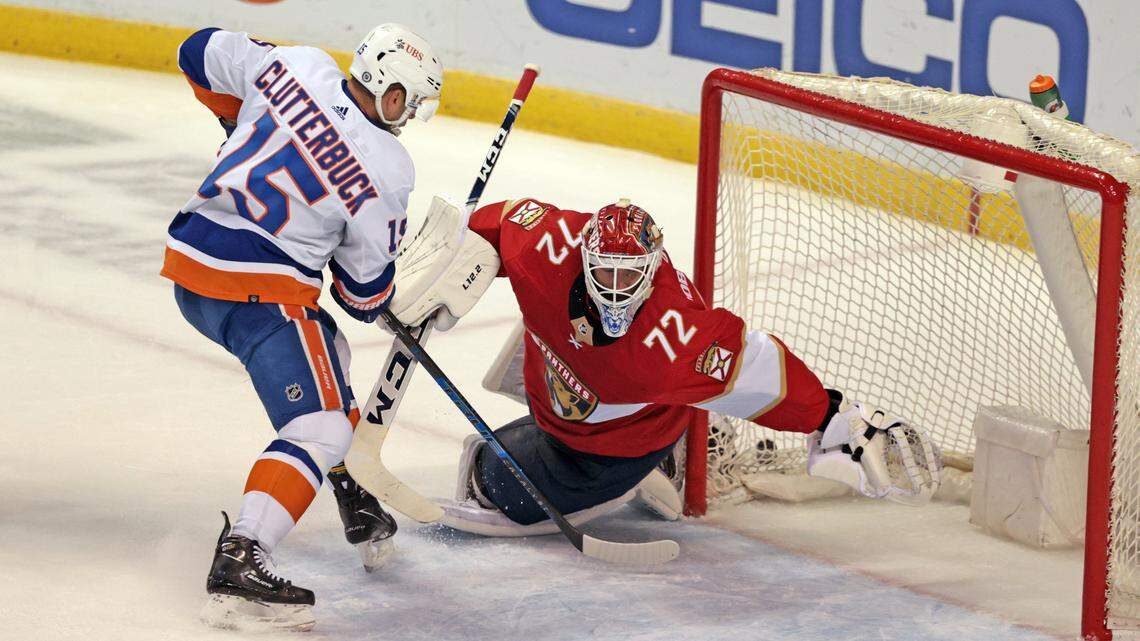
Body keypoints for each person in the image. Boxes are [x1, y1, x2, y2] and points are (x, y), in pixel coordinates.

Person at [388, 196, 942, 536]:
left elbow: (760, 370)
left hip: (617, 445)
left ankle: (666, 457)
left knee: (489, 478)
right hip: (585, 386)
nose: (612, 289)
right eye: (602, 273)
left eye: (627, 279)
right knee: (548, 334)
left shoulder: (673, 340)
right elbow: (498, 221)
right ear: (583, 255)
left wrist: (834, 415)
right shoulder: (549, 244)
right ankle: (675, 434)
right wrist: (449, 260)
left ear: (651, 272)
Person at [161, 23, 442, 630]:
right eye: (409, 101)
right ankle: (243, 555)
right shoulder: (389, 167)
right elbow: (363, 294)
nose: (409, 114)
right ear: (390, 93)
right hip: (259, 290)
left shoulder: (296, 64)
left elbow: (196, 50)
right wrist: (396, 277)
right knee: (318, 424)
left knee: (328, 351)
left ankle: (346, 486)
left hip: (193, 268)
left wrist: (240, 122)